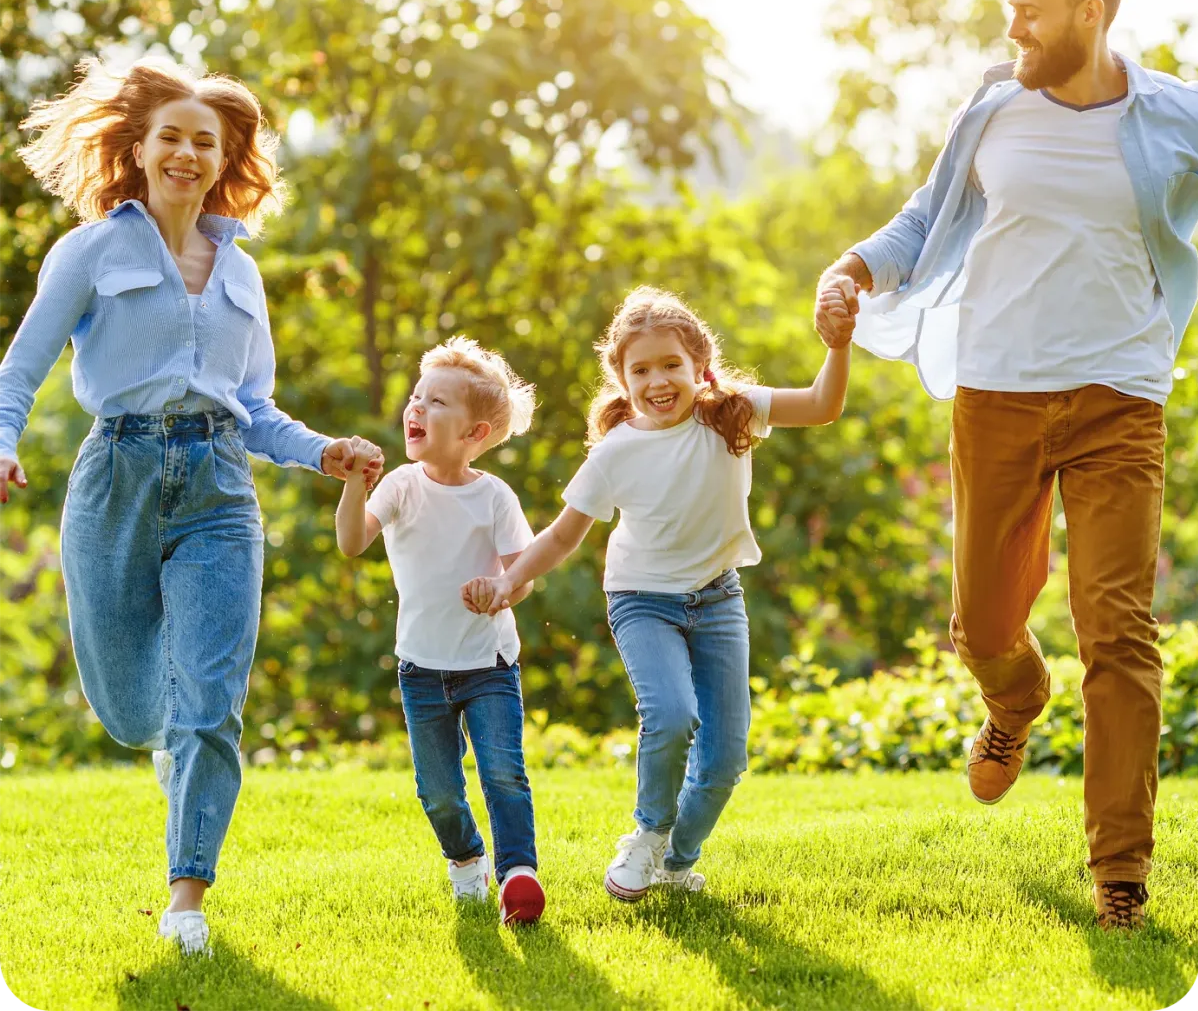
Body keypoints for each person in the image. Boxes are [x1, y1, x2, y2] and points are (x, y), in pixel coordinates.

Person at [814, 0, 1198, 931]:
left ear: (1090, 12)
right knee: (984, 621)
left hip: (1120, 398)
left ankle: (1120, 873)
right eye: (1008, 14)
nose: (1014, 32)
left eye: (1029, 15)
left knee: (1118, 631)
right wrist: (853, 267)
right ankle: (1013, 703)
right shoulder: (993, 110)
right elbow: (921, 216)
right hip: (998, 392)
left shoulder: (1174, 116)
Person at [0, 56, 384, 956]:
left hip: (218, 486)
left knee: (211, 703)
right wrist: (3, 442)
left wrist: (321, 452)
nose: (185, 152)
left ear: (221, 160)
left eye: (203, 142)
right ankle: (168, 745)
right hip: (117, 477)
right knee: (138, 714)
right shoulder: (93, 250)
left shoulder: (242, 274)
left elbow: (255, 410)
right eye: (169, 136)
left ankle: (186, 903)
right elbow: (20, 370)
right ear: (138, 150)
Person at [462, 284, 854, 901]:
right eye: (639, 369)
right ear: (620, 378)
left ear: (700, 365)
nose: (658, 380)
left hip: (719, 599)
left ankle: (676, 863)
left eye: (671, 364)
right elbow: (564, 536)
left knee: (725, 761)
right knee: (671, 716)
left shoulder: (733, 414)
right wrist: (512, 580)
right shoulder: (617, 452)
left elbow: (824, 405)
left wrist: (838, 345)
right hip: (642, 600)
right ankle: (645, 837)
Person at [335, 336, 546, 924]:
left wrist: (500, 588)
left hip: (489, 664)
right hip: (422, 670)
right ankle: (466, 859)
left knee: (503, 772)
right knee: (438, 791)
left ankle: (519, 875)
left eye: (437, 403)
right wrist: (356, 483)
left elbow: (522, 575)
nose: (417, 408)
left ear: (475, 433)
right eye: (417, 396)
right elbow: (352, 543)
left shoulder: (495, 497)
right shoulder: (402, 484)